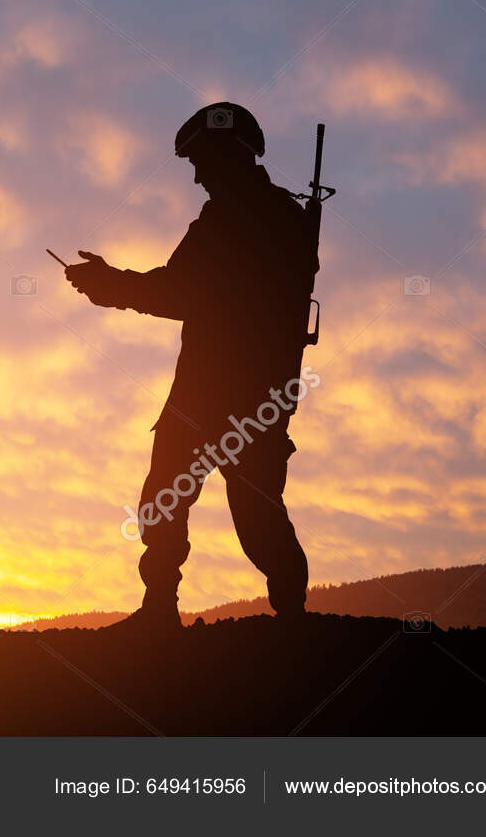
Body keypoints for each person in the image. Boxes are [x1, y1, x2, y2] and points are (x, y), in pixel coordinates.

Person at [64, 103, 313, 631]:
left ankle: (289, 623)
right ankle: (175, 610)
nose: (198, 176)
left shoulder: (244, 219)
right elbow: (183, 288)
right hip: (223, 394)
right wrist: (114, 285)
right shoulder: (256, 216)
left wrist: (113, 286)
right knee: (176, 497)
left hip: (238, 396)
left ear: (228, 157)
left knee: (249, 513)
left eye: (202, 162)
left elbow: (181, 291)